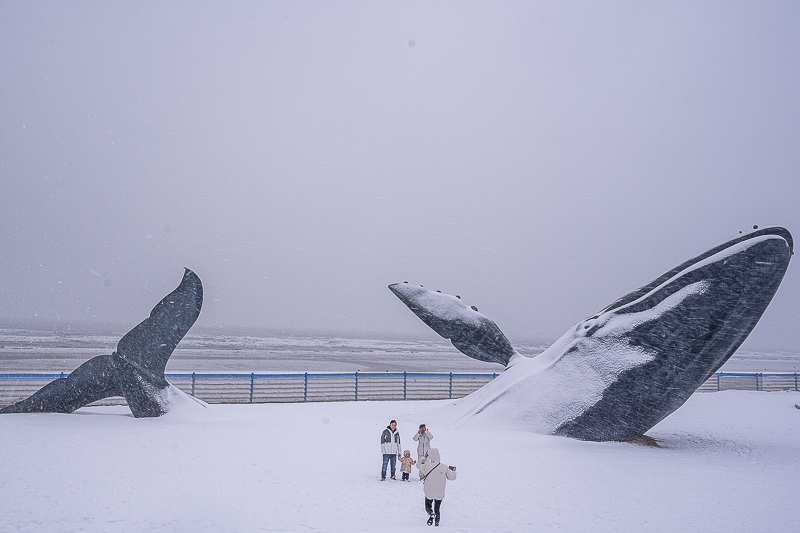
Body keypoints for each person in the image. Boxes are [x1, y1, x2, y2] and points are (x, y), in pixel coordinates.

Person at [417, 448, 457, 527]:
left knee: (428, 506)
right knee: (437, 509)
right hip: (440, 493)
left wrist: (424, 457)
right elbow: (452, 478)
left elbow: (418, 464)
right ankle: (437, 524)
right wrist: (454, 471)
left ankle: (431, 514)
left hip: (429, 491)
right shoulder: (445, 467)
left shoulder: (426, 466)